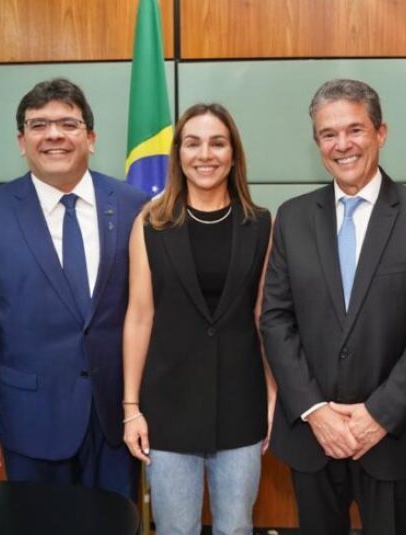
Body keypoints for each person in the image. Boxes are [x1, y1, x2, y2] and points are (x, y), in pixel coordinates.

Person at [260, 79, 406, 535]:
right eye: (329, 134)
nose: (342, 144)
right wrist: (315, 411)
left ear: (380, 133)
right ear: (316, 142)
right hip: (313, 434)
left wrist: (378, 415)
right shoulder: (292, 216)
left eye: (355, 130)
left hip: (394, 435)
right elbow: (275, 318)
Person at [0, 78, 148, 498]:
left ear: (90, 138)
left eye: (68, 124)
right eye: (39, 125)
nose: (54, 134)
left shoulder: (135, 206)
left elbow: (151, 313)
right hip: (31, 423)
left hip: (118, 423)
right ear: (22, 141)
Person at [122, 103, 275, 535]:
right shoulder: (151, 224)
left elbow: (265, 316)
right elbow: (139, 317)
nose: (204, 154)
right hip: (167, 409)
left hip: (240, 405)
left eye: (217, 143)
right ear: (178, 153)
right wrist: (131, 408)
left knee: (236, 528)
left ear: (233, 154)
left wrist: (271, 393)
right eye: (193, 143)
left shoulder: (262, 225)